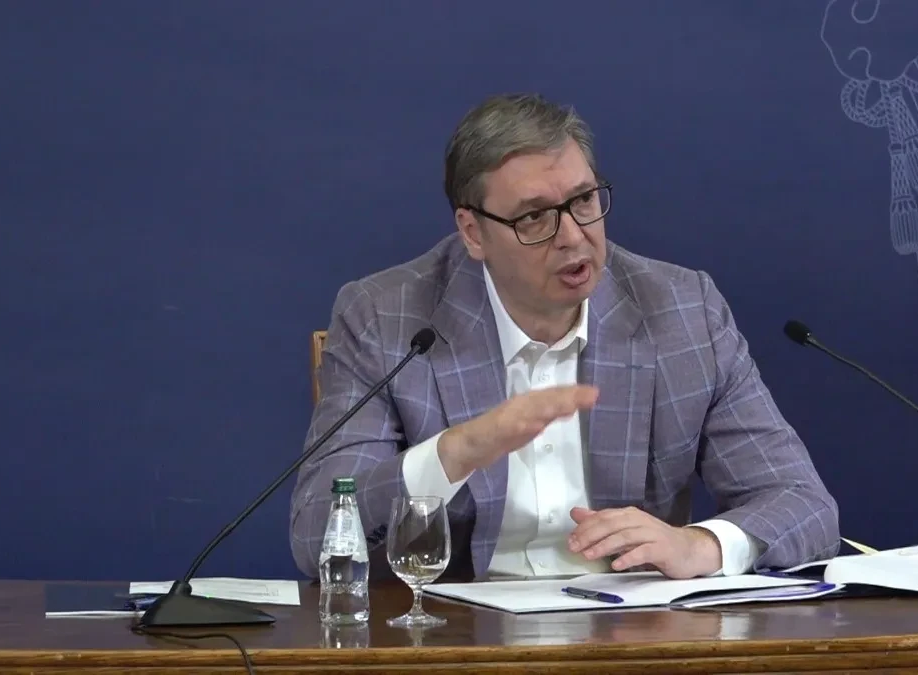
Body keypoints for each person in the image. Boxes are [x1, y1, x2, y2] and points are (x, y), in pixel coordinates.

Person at [289, 93, 839, 582]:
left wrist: (699, 545)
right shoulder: (387, 318)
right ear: (473, 232)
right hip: (458, 640)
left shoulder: (682, 313)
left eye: (583, 201)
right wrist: (456, 453)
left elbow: (804, 504)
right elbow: (316, 534)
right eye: (534, 217)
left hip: (634, 638)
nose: (574, 236)